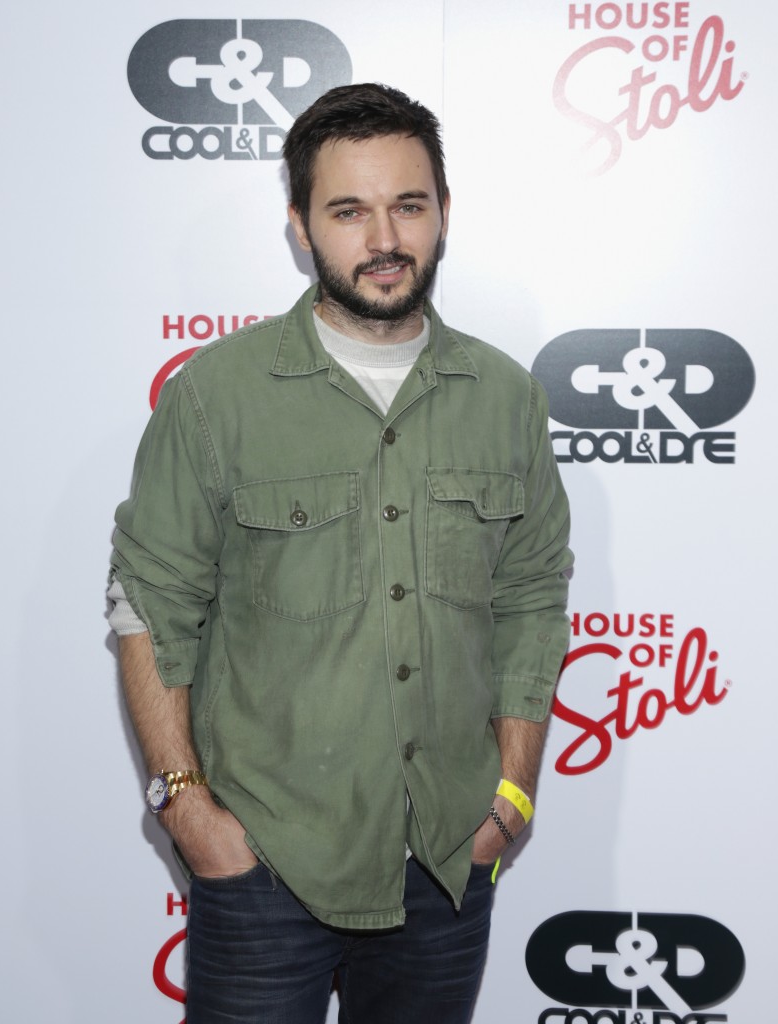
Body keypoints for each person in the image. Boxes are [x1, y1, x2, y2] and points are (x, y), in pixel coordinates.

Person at [109, 82, 573, 1023]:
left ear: (444, 213)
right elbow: (151, 608)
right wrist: (189, 814)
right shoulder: (217, 397)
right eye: (348, 211)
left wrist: (511, 796)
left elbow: (530, 598)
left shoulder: (505, 398)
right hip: (266, 862)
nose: (384, 238)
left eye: (408, 204)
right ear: (299, 225)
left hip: (446, 861)